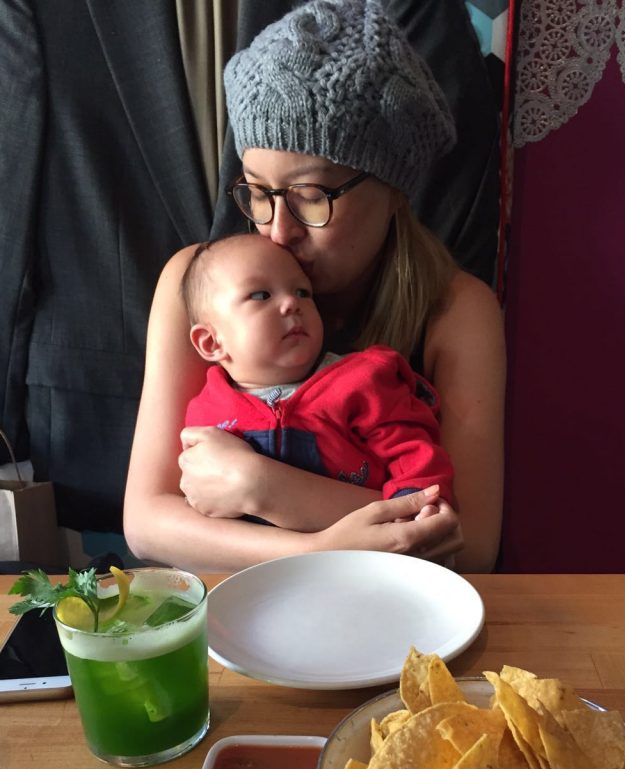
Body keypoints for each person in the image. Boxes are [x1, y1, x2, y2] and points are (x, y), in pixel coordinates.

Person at [124, 0, 505, 572]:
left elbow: (469, 543)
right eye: (257, 191)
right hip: (228, 618)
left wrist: (264, 488)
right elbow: (147, 521)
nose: (277, 231)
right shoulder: (193, 281)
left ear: (393, 189)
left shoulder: (456, 310)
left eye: (310, 197)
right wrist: (316, 548)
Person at [181, 234, 454, 510]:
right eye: (261, 295)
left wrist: (417, 501)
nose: (291, 303)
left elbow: (410, 450)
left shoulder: (363, 382)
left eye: (302, 292)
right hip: (254, 550)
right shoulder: (206, 417)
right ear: (211, 342)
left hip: (360, 545)